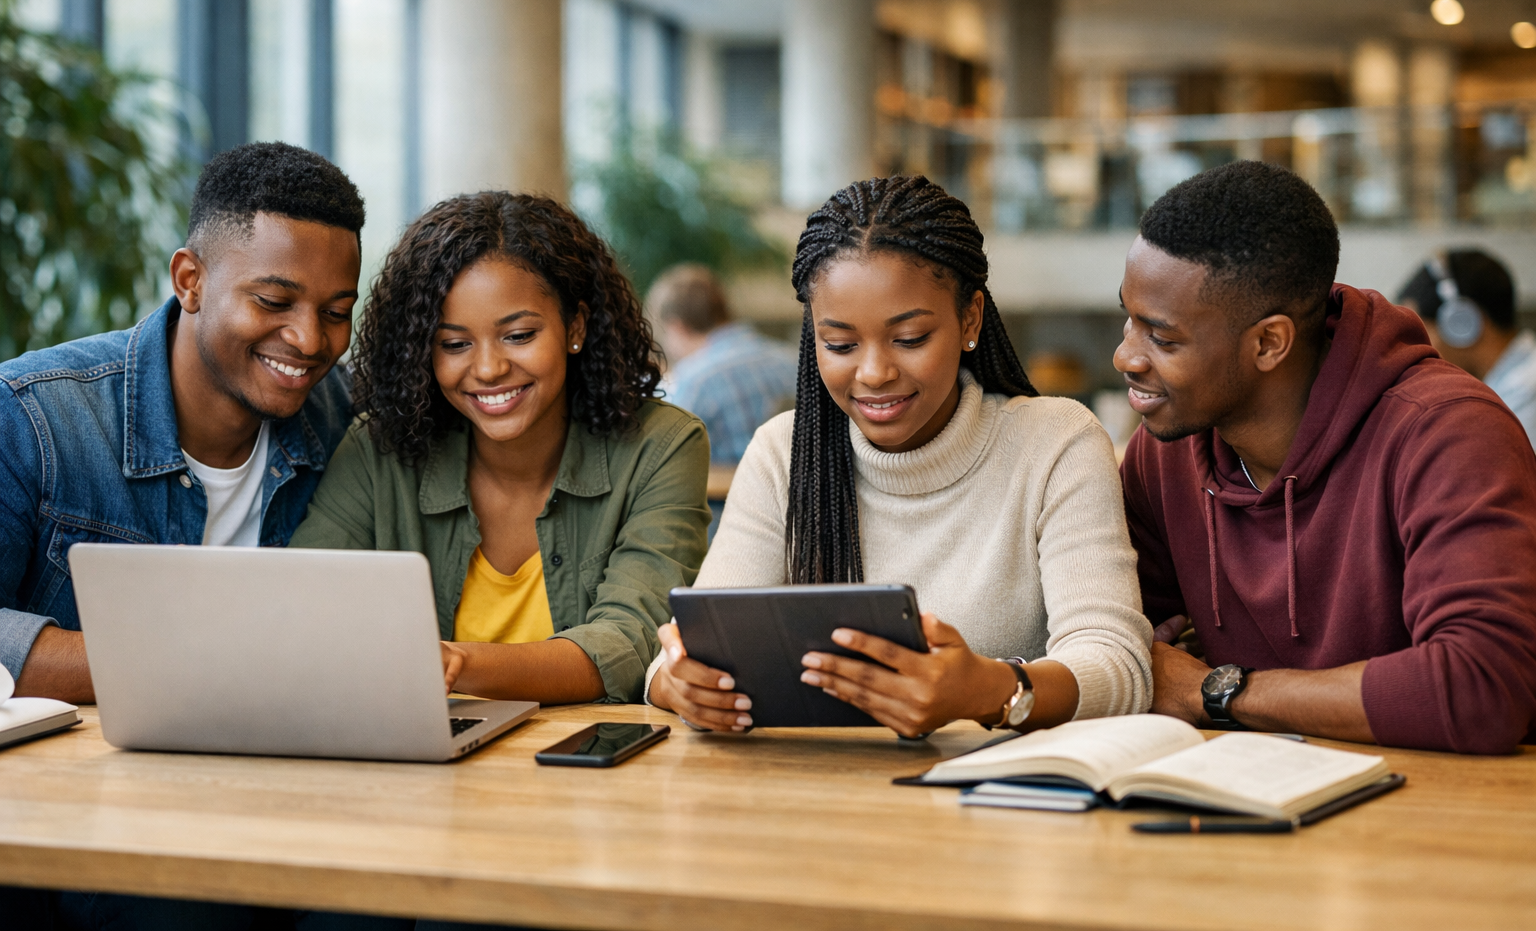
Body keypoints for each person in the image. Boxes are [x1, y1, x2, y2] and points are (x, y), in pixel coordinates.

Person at [0, 140, 364, 929]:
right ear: (189, 281)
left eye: (338, 312)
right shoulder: (34, 413)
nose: (310, 341)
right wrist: (193, 671)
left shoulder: (347, 428)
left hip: (287, 801)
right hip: (87, 815)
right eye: (274, 301)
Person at [647, 175, 1153, 738]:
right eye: (838, 345)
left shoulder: (1056, 443)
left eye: (909, 338)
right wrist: (676, 682)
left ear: (970, 319)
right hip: (814, 796)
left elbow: (1118, 664)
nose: (872, 373)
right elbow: (685, 648)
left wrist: (989, 691)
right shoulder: (781, 454)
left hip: (1001, 806)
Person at [1117, 160, 1536, 755]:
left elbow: (1481, 688)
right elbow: (1111, 641)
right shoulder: (1167, 451)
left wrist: (1216, 691)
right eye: (1128, 320)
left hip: (1442, 816)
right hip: (1247, 801)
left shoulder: (1448, 434)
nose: (1125, 356)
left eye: (1162, 337)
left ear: (1269, 342)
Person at [289, 192, 710, 705]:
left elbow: (630, 643)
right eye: (454, 344)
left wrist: (453, 663)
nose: (488, 369)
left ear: (574, 327)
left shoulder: (661, 447)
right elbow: (304, 612)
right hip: (417, 763)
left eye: (518, 335)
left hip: (590, 770)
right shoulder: (380, 450)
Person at [647, 263, 797, 466]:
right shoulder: (793, 361)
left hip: (726, 496)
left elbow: (662, 462)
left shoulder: (693, 382)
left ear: (677, 326)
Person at [1397, 247, 1536, 445]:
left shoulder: (1527, 393)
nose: (1414, 350)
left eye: (1420, 333)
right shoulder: (1506, 386)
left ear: (1461, 323)